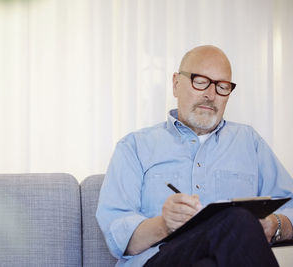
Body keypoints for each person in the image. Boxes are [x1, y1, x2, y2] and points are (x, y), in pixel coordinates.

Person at [96, 45, 293, 266]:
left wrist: (275, 225)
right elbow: (117, 236)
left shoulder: (250, 142)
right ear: (176, 84)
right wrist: (164, 224)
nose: (210, 95)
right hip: (160, 259)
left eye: (222, 86)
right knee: (236, 219)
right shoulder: (135, 147)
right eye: (200, 81)